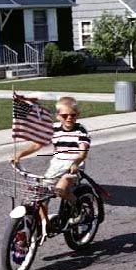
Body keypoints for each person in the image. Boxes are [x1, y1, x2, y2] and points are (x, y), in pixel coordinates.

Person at [11, 96, 90, 244]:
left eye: (72, 115)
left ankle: (77, 204)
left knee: (60, 189)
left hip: (74, 167)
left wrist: (76, 162)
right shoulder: (53, 129)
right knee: (41, 193)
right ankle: (43, 224)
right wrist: (20, 154)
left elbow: (83, 152)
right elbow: (37, 145)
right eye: (64, 115)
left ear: (77, 114)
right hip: (56, 166)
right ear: (58, 116)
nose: (68, 118)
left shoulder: (81, 130)